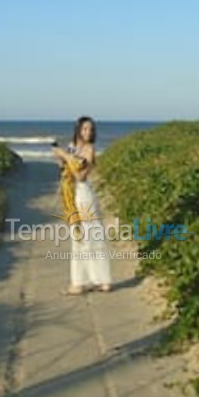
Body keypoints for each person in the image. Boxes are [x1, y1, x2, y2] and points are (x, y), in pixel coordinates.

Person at [51, 116, 112, 295]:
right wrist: (62, 157)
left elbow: (81, 176)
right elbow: (67, 170)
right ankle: (90, 280)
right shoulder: (74, 148)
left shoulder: (89, 149)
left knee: (87, 236)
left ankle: (89, 281)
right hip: (72, 193)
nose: (88, 132)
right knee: (82, 237)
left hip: (83, 194)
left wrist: (64, 155)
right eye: (85, 129)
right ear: (78, 130)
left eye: (91, 129)